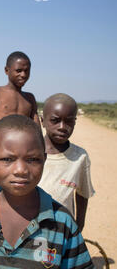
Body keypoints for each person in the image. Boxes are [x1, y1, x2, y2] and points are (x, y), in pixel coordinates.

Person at [0, 114, 94, 269]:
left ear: (44, 160)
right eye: (7, 159)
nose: (21, 170)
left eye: (32, 159)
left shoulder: (61, 222)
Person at [0, 51, 41, 194]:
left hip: (24, 163)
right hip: (3, 161)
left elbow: (37, 132)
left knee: (23, 201)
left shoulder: (30, 99)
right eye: (18, 70)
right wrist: (10, 145)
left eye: (27, 71)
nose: (23, 75)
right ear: (7, 71)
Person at [38, 93, 95, 233]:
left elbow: (83, 194)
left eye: (69, 121)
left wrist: (79, 225)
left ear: (75, 122)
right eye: (55, 120)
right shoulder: (30, 151)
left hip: (63, 228)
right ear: (42, 121)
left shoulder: (80, 157)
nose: (62, 127)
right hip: (30, 225)